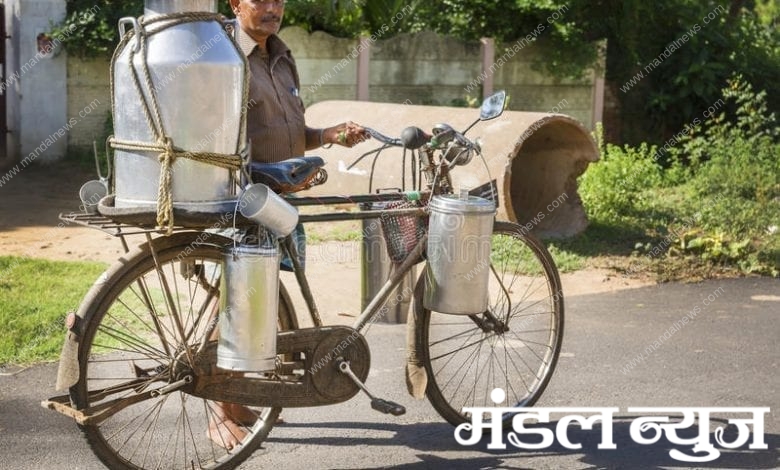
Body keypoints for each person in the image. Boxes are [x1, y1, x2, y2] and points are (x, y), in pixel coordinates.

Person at [208, 0, 371, 449]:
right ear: (235, 4)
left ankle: (240, 397)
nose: (272, 8)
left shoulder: (281, 55)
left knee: (262, 300)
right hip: (241, 199)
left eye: (279, 0)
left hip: (278, 201)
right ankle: (220, 409)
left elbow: (292, 131)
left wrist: (328, 135)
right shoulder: (222, 54)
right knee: (236, 300)